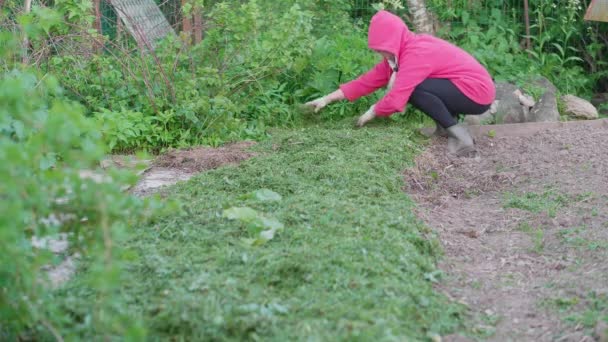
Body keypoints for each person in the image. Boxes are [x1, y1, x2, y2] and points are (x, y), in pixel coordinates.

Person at [305, 10, 496, 157]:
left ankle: (461, 138)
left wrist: (372, 111)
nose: (381, 54)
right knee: (420, 87)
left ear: (393, 41)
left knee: (415, 89)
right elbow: (366, 82)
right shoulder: (400, 52)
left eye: (383, 49)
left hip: (477, 93)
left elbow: (397, 98)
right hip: (465, 88)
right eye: (378, 50)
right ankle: (444, 129)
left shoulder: (415, 53)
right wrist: (326, 99)